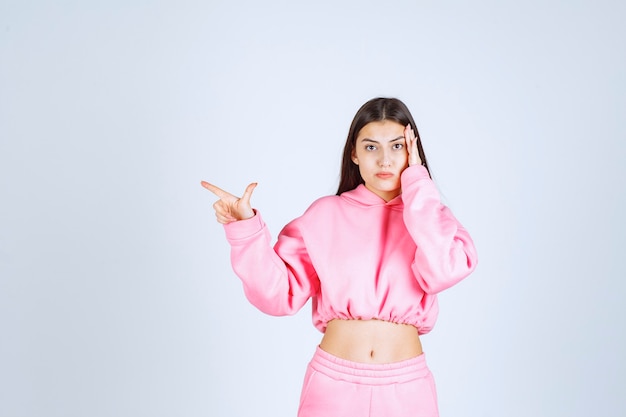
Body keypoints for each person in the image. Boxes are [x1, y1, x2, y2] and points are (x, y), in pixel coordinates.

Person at [201, 97, 477, 417]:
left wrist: (417, 184)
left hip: (407, 389)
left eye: (397, 146)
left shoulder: (432, 219)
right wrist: (246, 228)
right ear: (354, 154)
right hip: (333, 388)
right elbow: (277, 295)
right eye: (371, 147)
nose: (385, 160)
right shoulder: (324, 216)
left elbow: (442, 271)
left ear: (413, 152)